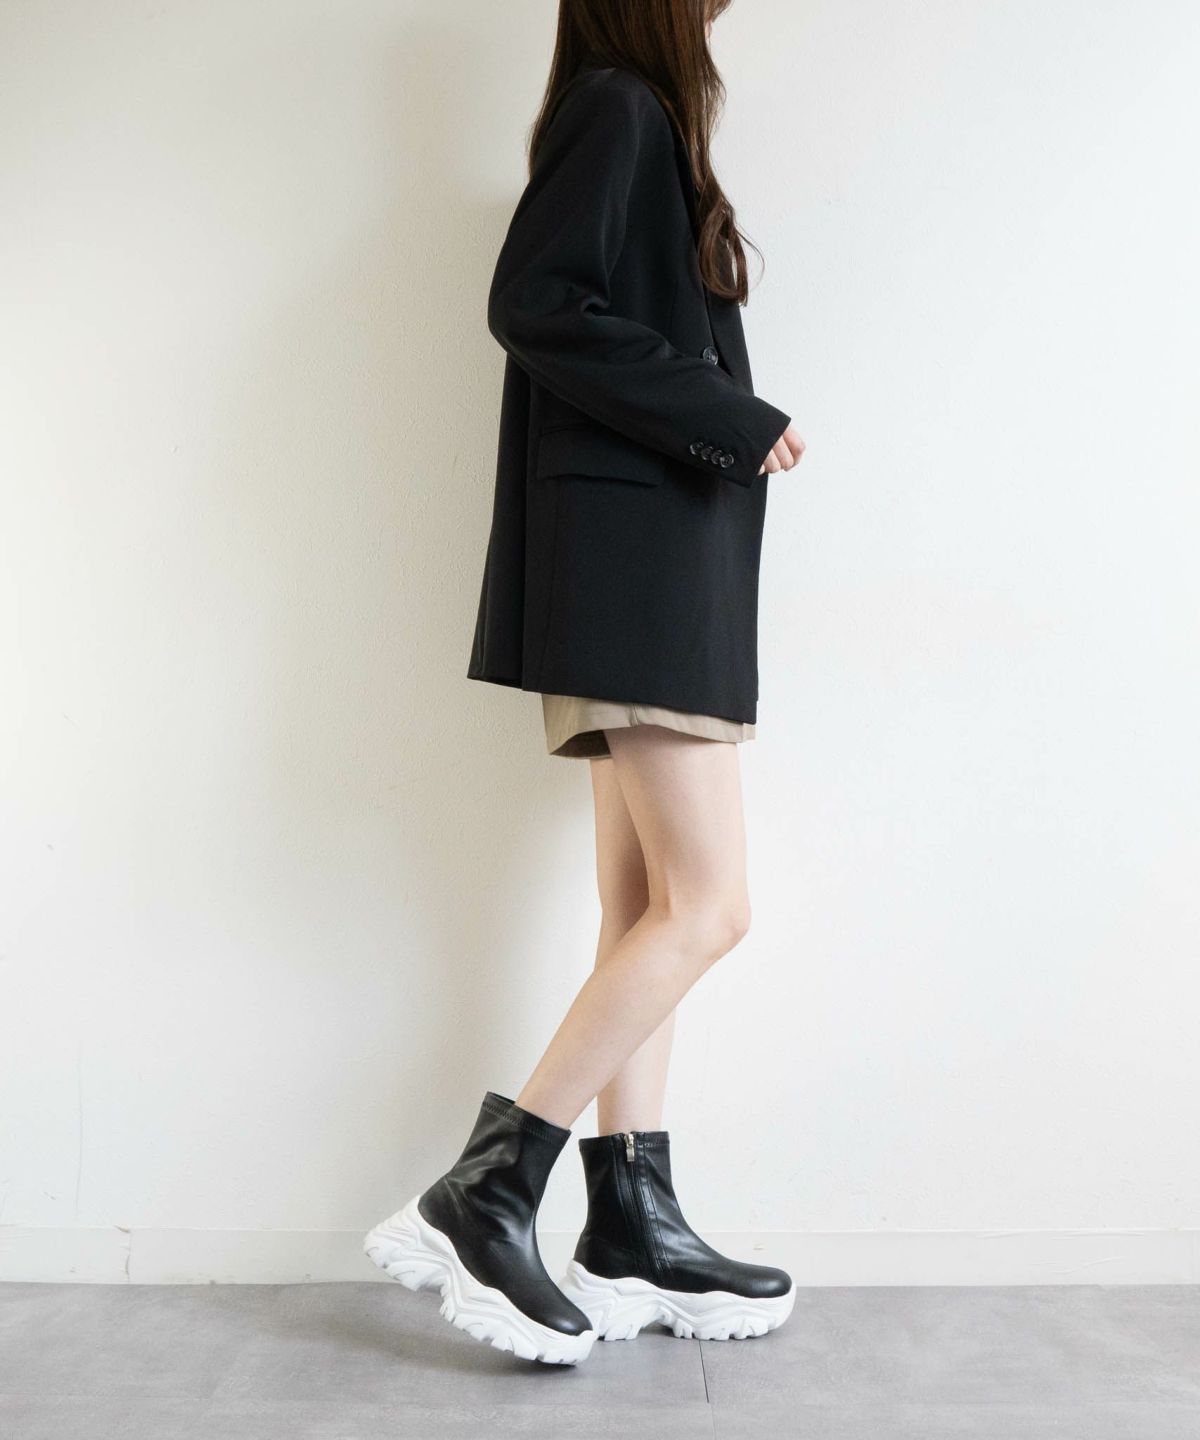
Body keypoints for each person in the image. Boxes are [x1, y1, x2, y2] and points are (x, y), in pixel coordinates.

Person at [365, 0, 805, 1365]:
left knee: (644, 908)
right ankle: (490, 1190)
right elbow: (535, 303)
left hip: (652, 568)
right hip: (635, 574)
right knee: (711, 907)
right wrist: (732, 415)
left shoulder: (637, 112)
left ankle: (633, 1221)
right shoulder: (617, 107)